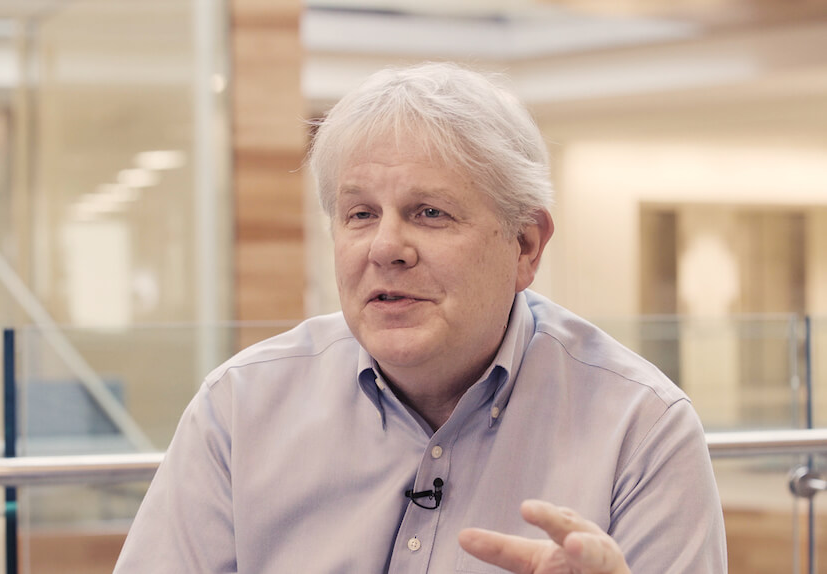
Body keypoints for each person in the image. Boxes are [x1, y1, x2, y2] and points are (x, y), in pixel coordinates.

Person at [114, 62, 727, 573]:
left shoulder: (642, 427)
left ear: (525, 246)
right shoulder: (240, 406)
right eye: (359, 214)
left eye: (430, 212)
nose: (385, 247)